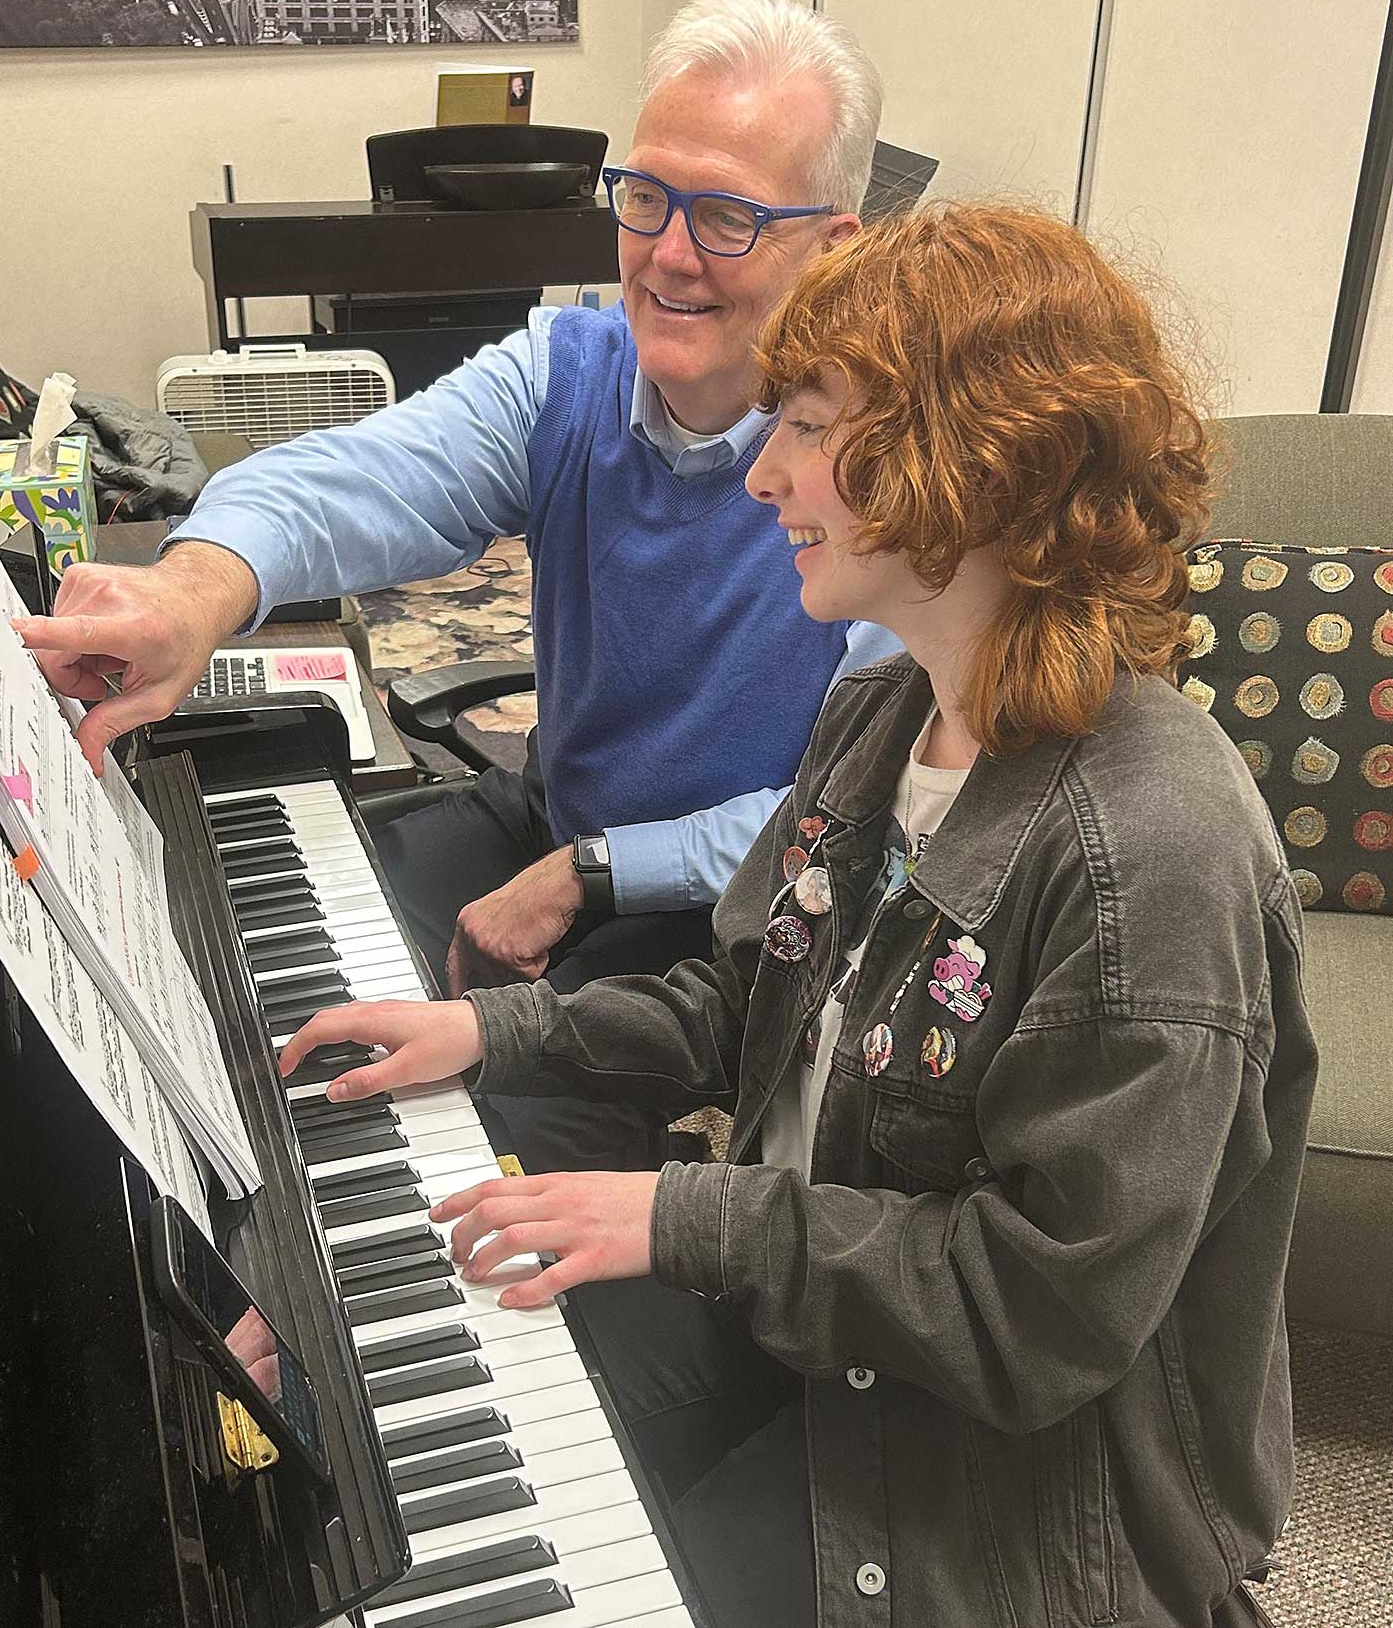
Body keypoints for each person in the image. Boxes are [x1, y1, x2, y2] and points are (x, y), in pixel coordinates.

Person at [276, 205, 1315, 1628]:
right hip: (830, 1321)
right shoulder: (887, 711)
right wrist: (484, 1027)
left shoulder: (1152, 852)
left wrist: (687, 1217)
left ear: (976, 454)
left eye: (809, 425)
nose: (762, 474)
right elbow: (749, 994)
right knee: (402, 1401)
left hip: (1031, 1484)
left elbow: (1040, 1312)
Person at [14, 0, 898, 1171]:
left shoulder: (883, 480)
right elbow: (350, 480)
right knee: (247, 952)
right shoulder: (568, 367)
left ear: (834, 246)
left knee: (473, 1149)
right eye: (647, 199)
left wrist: (596, 875)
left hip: (731, 915)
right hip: (557, 808)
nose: (670, 255)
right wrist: (191, 595)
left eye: (728, 216)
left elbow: (858, 822)